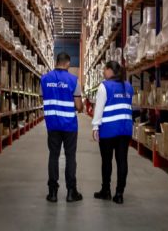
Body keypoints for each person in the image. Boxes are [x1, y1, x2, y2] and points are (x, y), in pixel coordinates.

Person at [41, 52, 83, 203]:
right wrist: (80, 106)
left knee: (54, 155)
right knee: (70, 157)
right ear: (67, 64)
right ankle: (71, 192)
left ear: (56, 62)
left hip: (52, 124)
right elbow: (78, 106)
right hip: (69, 125)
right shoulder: (73, 80)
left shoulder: (44, 79)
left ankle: (52, 193)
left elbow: (44, 98)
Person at [92, 61, 134, 204]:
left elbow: (99, 108)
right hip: (125, 129)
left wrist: (95, 127)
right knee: (122, 161)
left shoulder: (105, 86)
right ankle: (119, 194)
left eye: (105, 69)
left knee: (106, 161)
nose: (103, 72)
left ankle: (106, 191)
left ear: (110, 70)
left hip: (109, 130)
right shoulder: (128, 86)